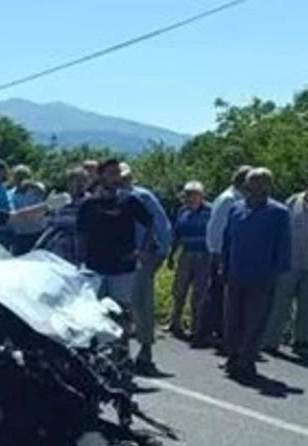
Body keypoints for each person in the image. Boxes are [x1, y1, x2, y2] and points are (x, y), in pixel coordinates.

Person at [76, 158, 155, 364]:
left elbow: (150, 223)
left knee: (122, 312)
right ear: (101, 176)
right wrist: (81, 263)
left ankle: (121, 355)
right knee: (95, 314)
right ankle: (96, 357)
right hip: (96, 267)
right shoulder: (89, 204)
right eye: (111, 173)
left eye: (117, 173)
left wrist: (141, 251)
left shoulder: (129, 201)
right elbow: (81, 235)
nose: (116, 177)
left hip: (123, 267)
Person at [221, 168, 291, 381]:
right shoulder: (236, 208)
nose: (252, 187)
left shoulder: (278, 212)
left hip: (262, 276)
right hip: (236, 272)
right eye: (250, 183)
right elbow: (228, 239)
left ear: (268, 186)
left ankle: (248, 359)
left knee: (255, 320)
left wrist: (278, 272)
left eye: (258, 183)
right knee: (233, 318)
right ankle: (233, 355)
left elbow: (284, 245)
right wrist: (224, 265)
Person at [263, 166, 308, 356]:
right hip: (290, 262)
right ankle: (271, 341)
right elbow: (280, 229)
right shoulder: (295, 201)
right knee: (280, 303)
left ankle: (301, 341)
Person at [118, 162, 172, 374]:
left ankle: (145, 349)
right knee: (119, 306)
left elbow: (161, 225)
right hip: (117, 258)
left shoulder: (142, 197)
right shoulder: (108, 197)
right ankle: (121, 350)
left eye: (125, 177)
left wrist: (161, 252)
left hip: (141, 256)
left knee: (141, 304)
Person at [197, 165, 252, 348]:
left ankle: (217, 332)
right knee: (216, 294)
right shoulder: (229, 200)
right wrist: (217, 253)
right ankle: (206, 332)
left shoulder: (236, 198)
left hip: (226, 254)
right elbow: (217, 229)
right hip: (221, 254)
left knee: (219, 294)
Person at [167, 181, 213, 339]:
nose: (190, 198)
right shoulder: (182, 211)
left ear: (201, 196)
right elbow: (176, 234)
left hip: (204, 255)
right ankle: (175, 322)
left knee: (199, 293)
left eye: (194, 195)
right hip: (186, 253)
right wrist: (171, 255)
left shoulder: (211, 211)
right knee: (179, 290)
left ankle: (196, 327)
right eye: (187, 195)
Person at [33, 165, 91, 263]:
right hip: (57, 249)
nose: (78, 184)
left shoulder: (90, 202)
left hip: (79, 249)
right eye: (74, 180)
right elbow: (47, 222)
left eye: (82, 180)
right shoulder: (59, 199)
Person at [9, 171, 48, 256]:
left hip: (37, 231)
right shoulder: (11, 193)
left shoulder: (36, 190)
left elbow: (43, 191)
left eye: (23, 177)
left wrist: (31, 183)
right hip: (20, 234)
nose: (20, 180)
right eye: (17, 177)